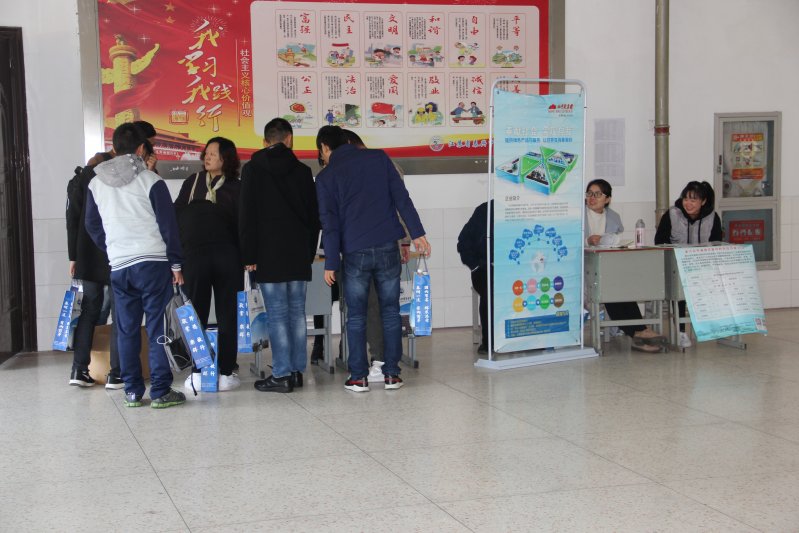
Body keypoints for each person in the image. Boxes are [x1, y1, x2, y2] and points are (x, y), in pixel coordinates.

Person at [315, 125, 430, 392]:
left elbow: (330, 224)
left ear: (324, 147)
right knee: (390, 311)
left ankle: (358, 377)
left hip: (355, 252)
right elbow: (401, 198)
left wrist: (331, 262)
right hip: (388, 246)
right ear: (346, 141)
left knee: (356, 316)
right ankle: (391, 374)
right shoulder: (379, 158)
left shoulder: (326, 177)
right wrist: (417, 234)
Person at [85, 122, 186, 408]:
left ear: (114, 148)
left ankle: (131, 391)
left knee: (126, 329)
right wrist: (176, 264)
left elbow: (92, 224)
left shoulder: (95, 183)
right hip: (153, 263)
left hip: (119, 265)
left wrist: (113, 247)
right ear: (141, 149)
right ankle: (160, 391)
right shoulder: (151, 181)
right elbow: (168, 226)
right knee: (157, 327)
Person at [241, 118, 320, 393]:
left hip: (267, 254)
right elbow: (314, 217)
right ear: (289, 139)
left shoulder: (252, 170)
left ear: (265, 142)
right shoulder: (303, 171)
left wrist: (248, 255)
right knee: (297, 314)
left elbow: (246, 215)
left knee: (276, 315)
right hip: (298, 253)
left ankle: (282, 374)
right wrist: (308, 252)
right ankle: (296, 371)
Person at [174, 137, 242, 391]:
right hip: (195, 256)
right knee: (195, 314)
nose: (208, 157)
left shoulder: (237, 187)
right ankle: (197, 370)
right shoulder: (192, 182)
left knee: (228, 314)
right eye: (207, 153)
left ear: (226, 158)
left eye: (214, 153)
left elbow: (244, 224)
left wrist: (248, 257)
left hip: (228, 256)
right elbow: (176, 215)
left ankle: (226, 370)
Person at [584, 179, 664, 352]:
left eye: (597, 194)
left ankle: (638, 332)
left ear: (607, 199)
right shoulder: (579, 215)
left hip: (607, 268)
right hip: (585, 271)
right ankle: (638, 331)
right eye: (589, 193)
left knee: (621, 287)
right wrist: (587, 241)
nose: (592, 197)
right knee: (610, 288)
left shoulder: (614, 218)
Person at [66, 151, 122, 388]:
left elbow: (72, 220)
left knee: (88, 312)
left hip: (87, 255)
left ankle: (79, 370)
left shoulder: (79, 181)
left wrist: (73, 257)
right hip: (115, 252)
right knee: (120, 314)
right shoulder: (115, 178)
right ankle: (116, 373)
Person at [654, 180, 723, 348]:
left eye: (693, 200)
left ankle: (717, 327)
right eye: (686, 199)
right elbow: (659, 241)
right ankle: (681, 332)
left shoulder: (712, 217)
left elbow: (716, 244)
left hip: (702, 267)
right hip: (675, 266)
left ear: (703, 201)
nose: (688, 203)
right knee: (680, 289)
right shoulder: (672, 215)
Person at [457, 201, 492, 355]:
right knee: (489, 294)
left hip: (511, 269)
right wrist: (475, 265)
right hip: (484, 269)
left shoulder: (520, 210)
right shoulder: (484, 210)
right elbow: (463, 241)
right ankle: (488, 341)